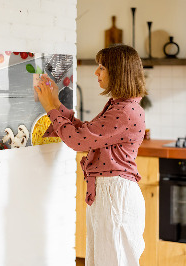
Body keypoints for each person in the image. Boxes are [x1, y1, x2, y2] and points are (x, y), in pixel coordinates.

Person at [35, 44, 147, 266]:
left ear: (118, 72)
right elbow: (86, 133)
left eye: (102, 67)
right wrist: (57, 104)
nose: (96, 72)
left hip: (115, 196)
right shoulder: (120, 106)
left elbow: (78, 141)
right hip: (110, 194)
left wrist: (50, 108)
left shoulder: (124, 111)